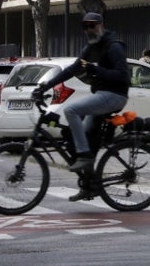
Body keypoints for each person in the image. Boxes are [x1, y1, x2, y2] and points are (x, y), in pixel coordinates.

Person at [36, 12, 130, 182]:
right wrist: (45, 87)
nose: (89, 30)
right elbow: (71, 70)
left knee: (71, 110)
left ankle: (84, 156)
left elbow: (123, 76)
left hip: (116, 95)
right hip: (102, 94)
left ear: (101, 25)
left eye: (92, 25)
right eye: (85, 26)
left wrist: (96, 70)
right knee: (85, 137)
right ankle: (89, 183)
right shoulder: (92, 48)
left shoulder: (113, 46)